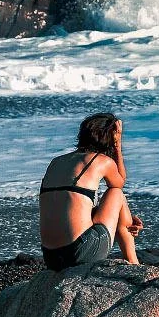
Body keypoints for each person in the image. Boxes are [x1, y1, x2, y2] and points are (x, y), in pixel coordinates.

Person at [39, 111, 142, 271]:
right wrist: (118, 145)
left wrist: (121, 217)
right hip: (79, 252)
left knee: (113, 202)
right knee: (116, 193)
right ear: (110, 136)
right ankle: (134, 264)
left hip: (51, 258)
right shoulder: (101, 161)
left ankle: (127, 228)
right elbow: (119, 182)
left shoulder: (56, 162)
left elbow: (70, 208)